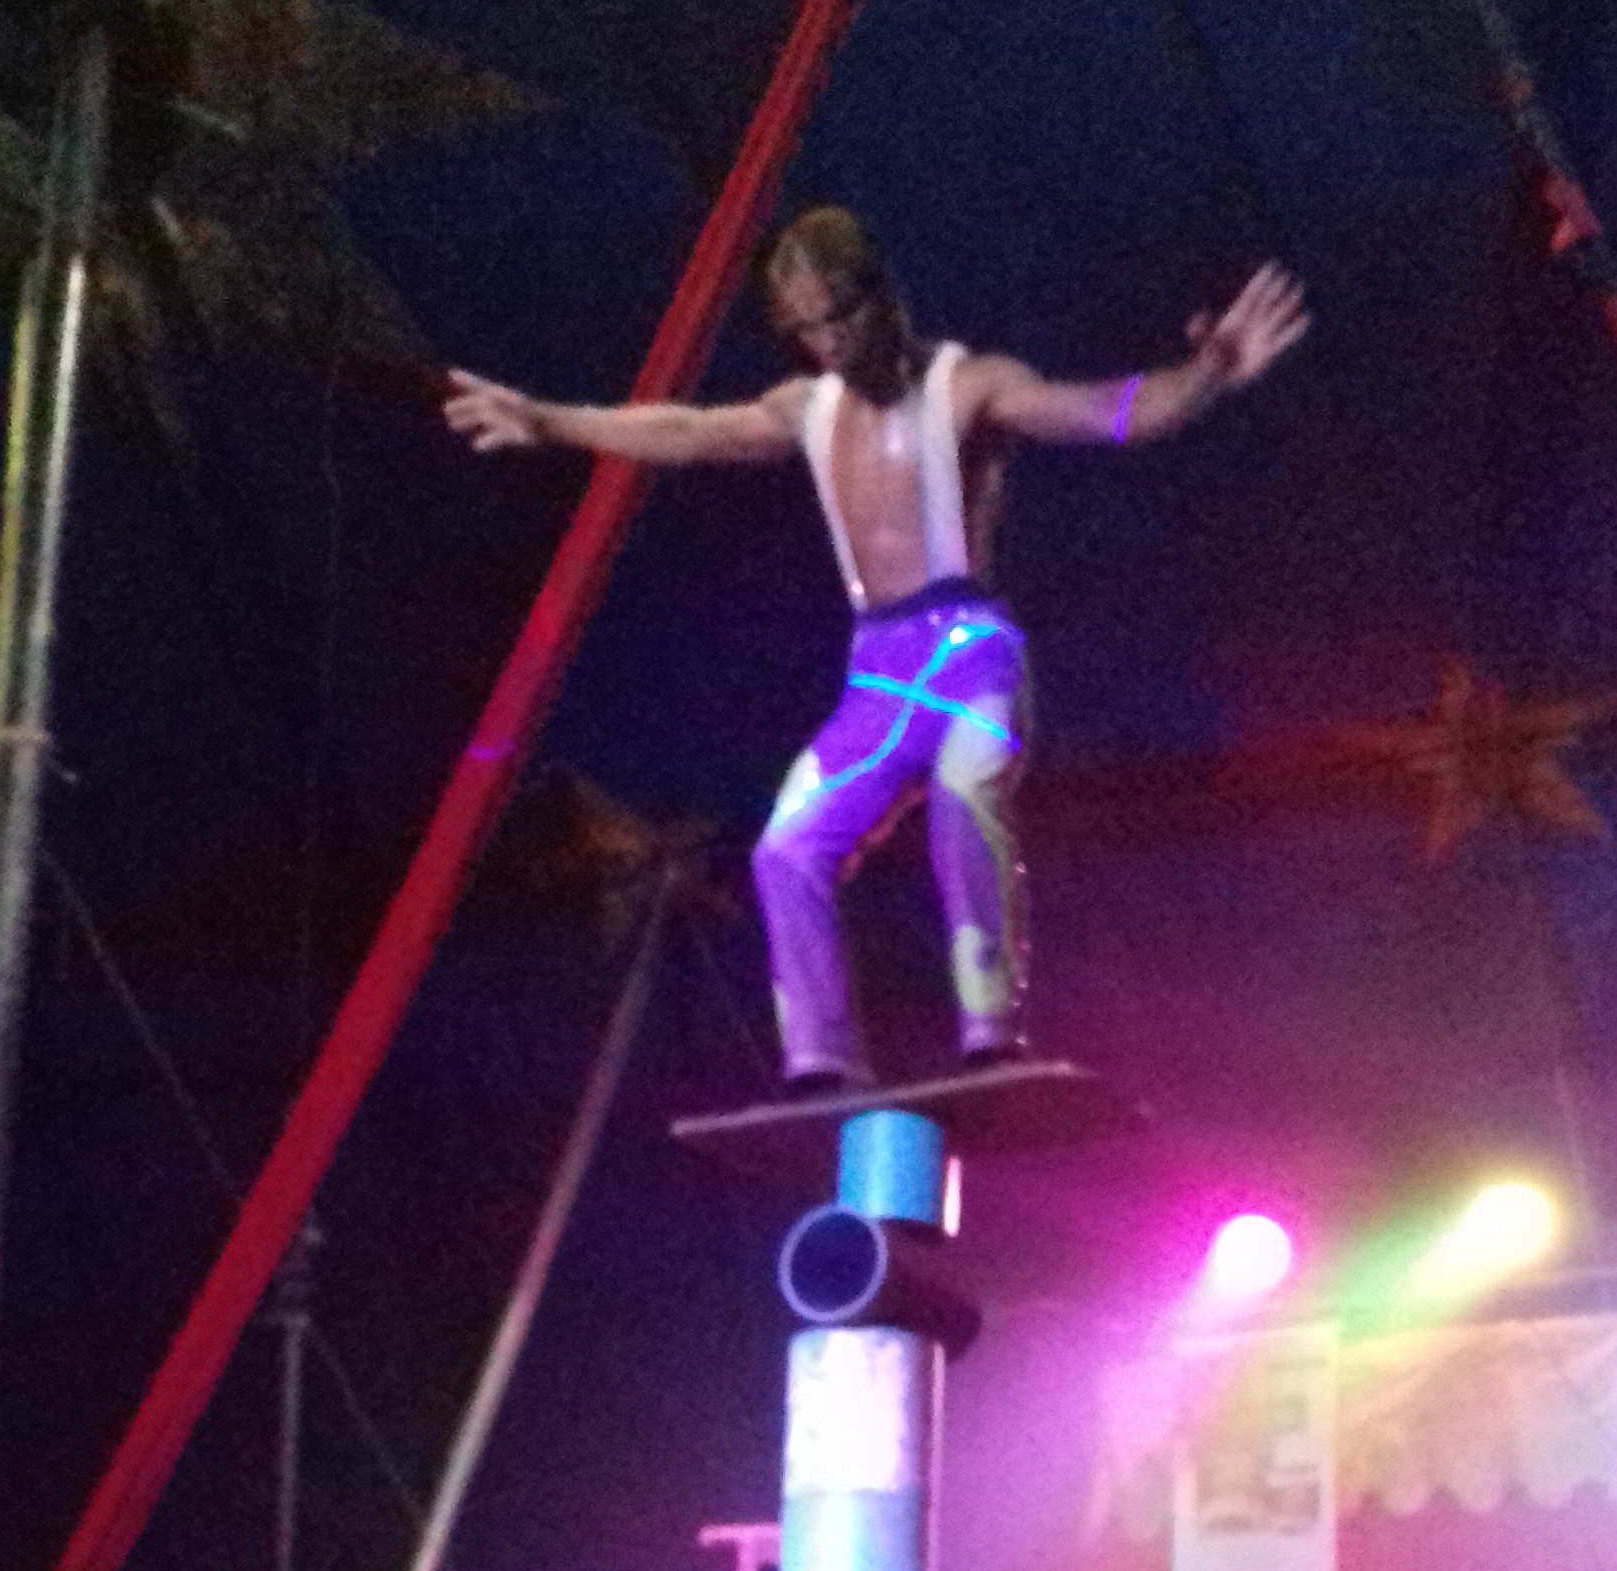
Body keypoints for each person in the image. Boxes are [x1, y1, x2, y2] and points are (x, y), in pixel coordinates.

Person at [445, 208, 1308, 1091]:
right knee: (785, 850)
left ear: (879, 297)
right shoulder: (807, 409)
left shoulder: (968, 388)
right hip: (880, 679)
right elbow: (687, 432)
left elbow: (1108, 414)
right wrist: (547, 421)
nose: (827, 344)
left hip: (969, 657)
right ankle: (822, 1061)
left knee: (964, 796)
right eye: (806, 329)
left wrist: (1210, 371)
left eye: (838, 318)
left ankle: (990, 1033)